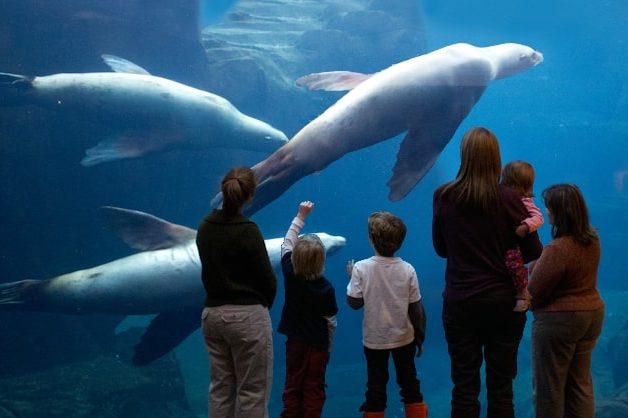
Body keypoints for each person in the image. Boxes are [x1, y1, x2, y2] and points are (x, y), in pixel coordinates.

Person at [432, 127, 543, 418]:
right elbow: (534, 252)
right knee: (501, 386)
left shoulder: (443, 196)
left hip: (460, 301)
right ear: (496, 158)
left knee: (464, 386)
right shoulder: (509, 199)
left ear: (463, 155)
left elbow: (441, 249)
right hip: (503, 303)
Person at [196, 166, 277, 418]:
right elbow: (267, 279)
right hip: (246, 317)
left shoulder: (205, 227)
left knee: (220, 389)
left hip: (212, 315)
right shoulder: (248, 230)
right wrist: (260, 306)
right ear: (250, 196)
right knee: (252, 391)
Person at [528, 184, 604, 418]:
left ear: (560, 211)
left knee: (549, 389)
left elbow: (536, 290)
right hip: (591, 316)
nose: (546, 211)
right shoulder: (592, 239)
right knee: (580, 386)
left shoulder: (557, 249)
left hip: (560, 322)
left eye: (549, 207)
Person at [346, 211, 427, 418]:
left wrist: (353, 278)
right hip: (404, 338)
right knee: (410, 384)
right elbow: (416, 308)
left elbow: (354, 304)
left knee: (375, 387)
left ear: (371, 239)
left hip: (375, 340)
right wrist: (419, 337)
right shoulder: (408, 269)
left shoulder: (361, 268)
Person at [278, 200, 338, 418]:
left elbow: (286, 244)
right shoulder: (327, 289)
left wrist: (300, 216)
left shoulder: (289, 273)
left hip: (296, 342)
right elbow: (331, 321)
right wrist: (328, 346)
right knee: (314, 388)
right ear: (322, 260)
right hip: (319, 346)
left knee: (293, 384)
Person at [500, 160, 544, 311]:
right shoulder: (506, 197)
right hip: (506, 243)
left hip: (515, 246)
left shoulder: (526, 201)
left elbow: (538, 218)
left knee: (514, 265)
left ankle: (522, 293)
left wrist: (525, 226)